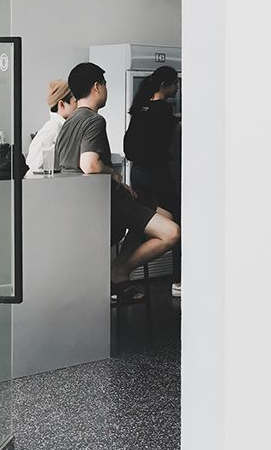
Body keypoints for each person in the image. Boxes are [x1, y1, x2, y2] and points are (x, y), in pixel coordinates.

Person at [56, 61, 180, 292]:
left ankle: (119, 269)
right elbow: (89, 164)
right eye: (104, 84)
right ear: (97, 86)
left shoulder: (69, 121)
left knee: (164, 214)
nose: (106, 89)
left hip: (84, 204)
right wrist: (114, 174)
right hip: (106, 202)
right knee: (171, 233)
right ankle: (120, 270)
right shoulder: (94, 120)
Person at [125, 66, 183, 296]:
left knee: (141, 221)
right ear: (163, 85)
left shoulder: (139, 108)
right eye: (175, 83)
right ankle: (178, 280)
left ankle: (121, 269)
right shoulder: (163, 109)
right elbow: (168, 139)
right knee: (177, 221)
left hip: (137, 173)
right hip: (157, 173)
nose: (177, 88)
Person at [26, 80, 76, 173]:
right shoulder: (52, 130)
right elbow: (34, 170)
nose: (79, 106)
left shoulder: (61, 128)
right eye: (76, 101)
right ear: (61, 104)